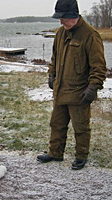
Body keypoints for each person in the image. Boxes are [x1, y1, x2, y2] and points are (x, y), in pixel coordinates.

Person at [37, 0, 107, 170]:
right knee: (57, 124)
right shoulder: (60, 33)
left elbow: (99, 67)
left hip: (80, 93)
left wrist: (93, 87)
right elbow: (55, 57)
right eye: (59, 18)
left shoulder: (90, 35)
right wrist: (51, 74)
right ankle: (55, 153)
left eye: (63, 18)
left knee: (81, 128)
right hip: (60, 90)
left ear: (73, 15)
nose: (60, 22)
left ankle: (81, 156)